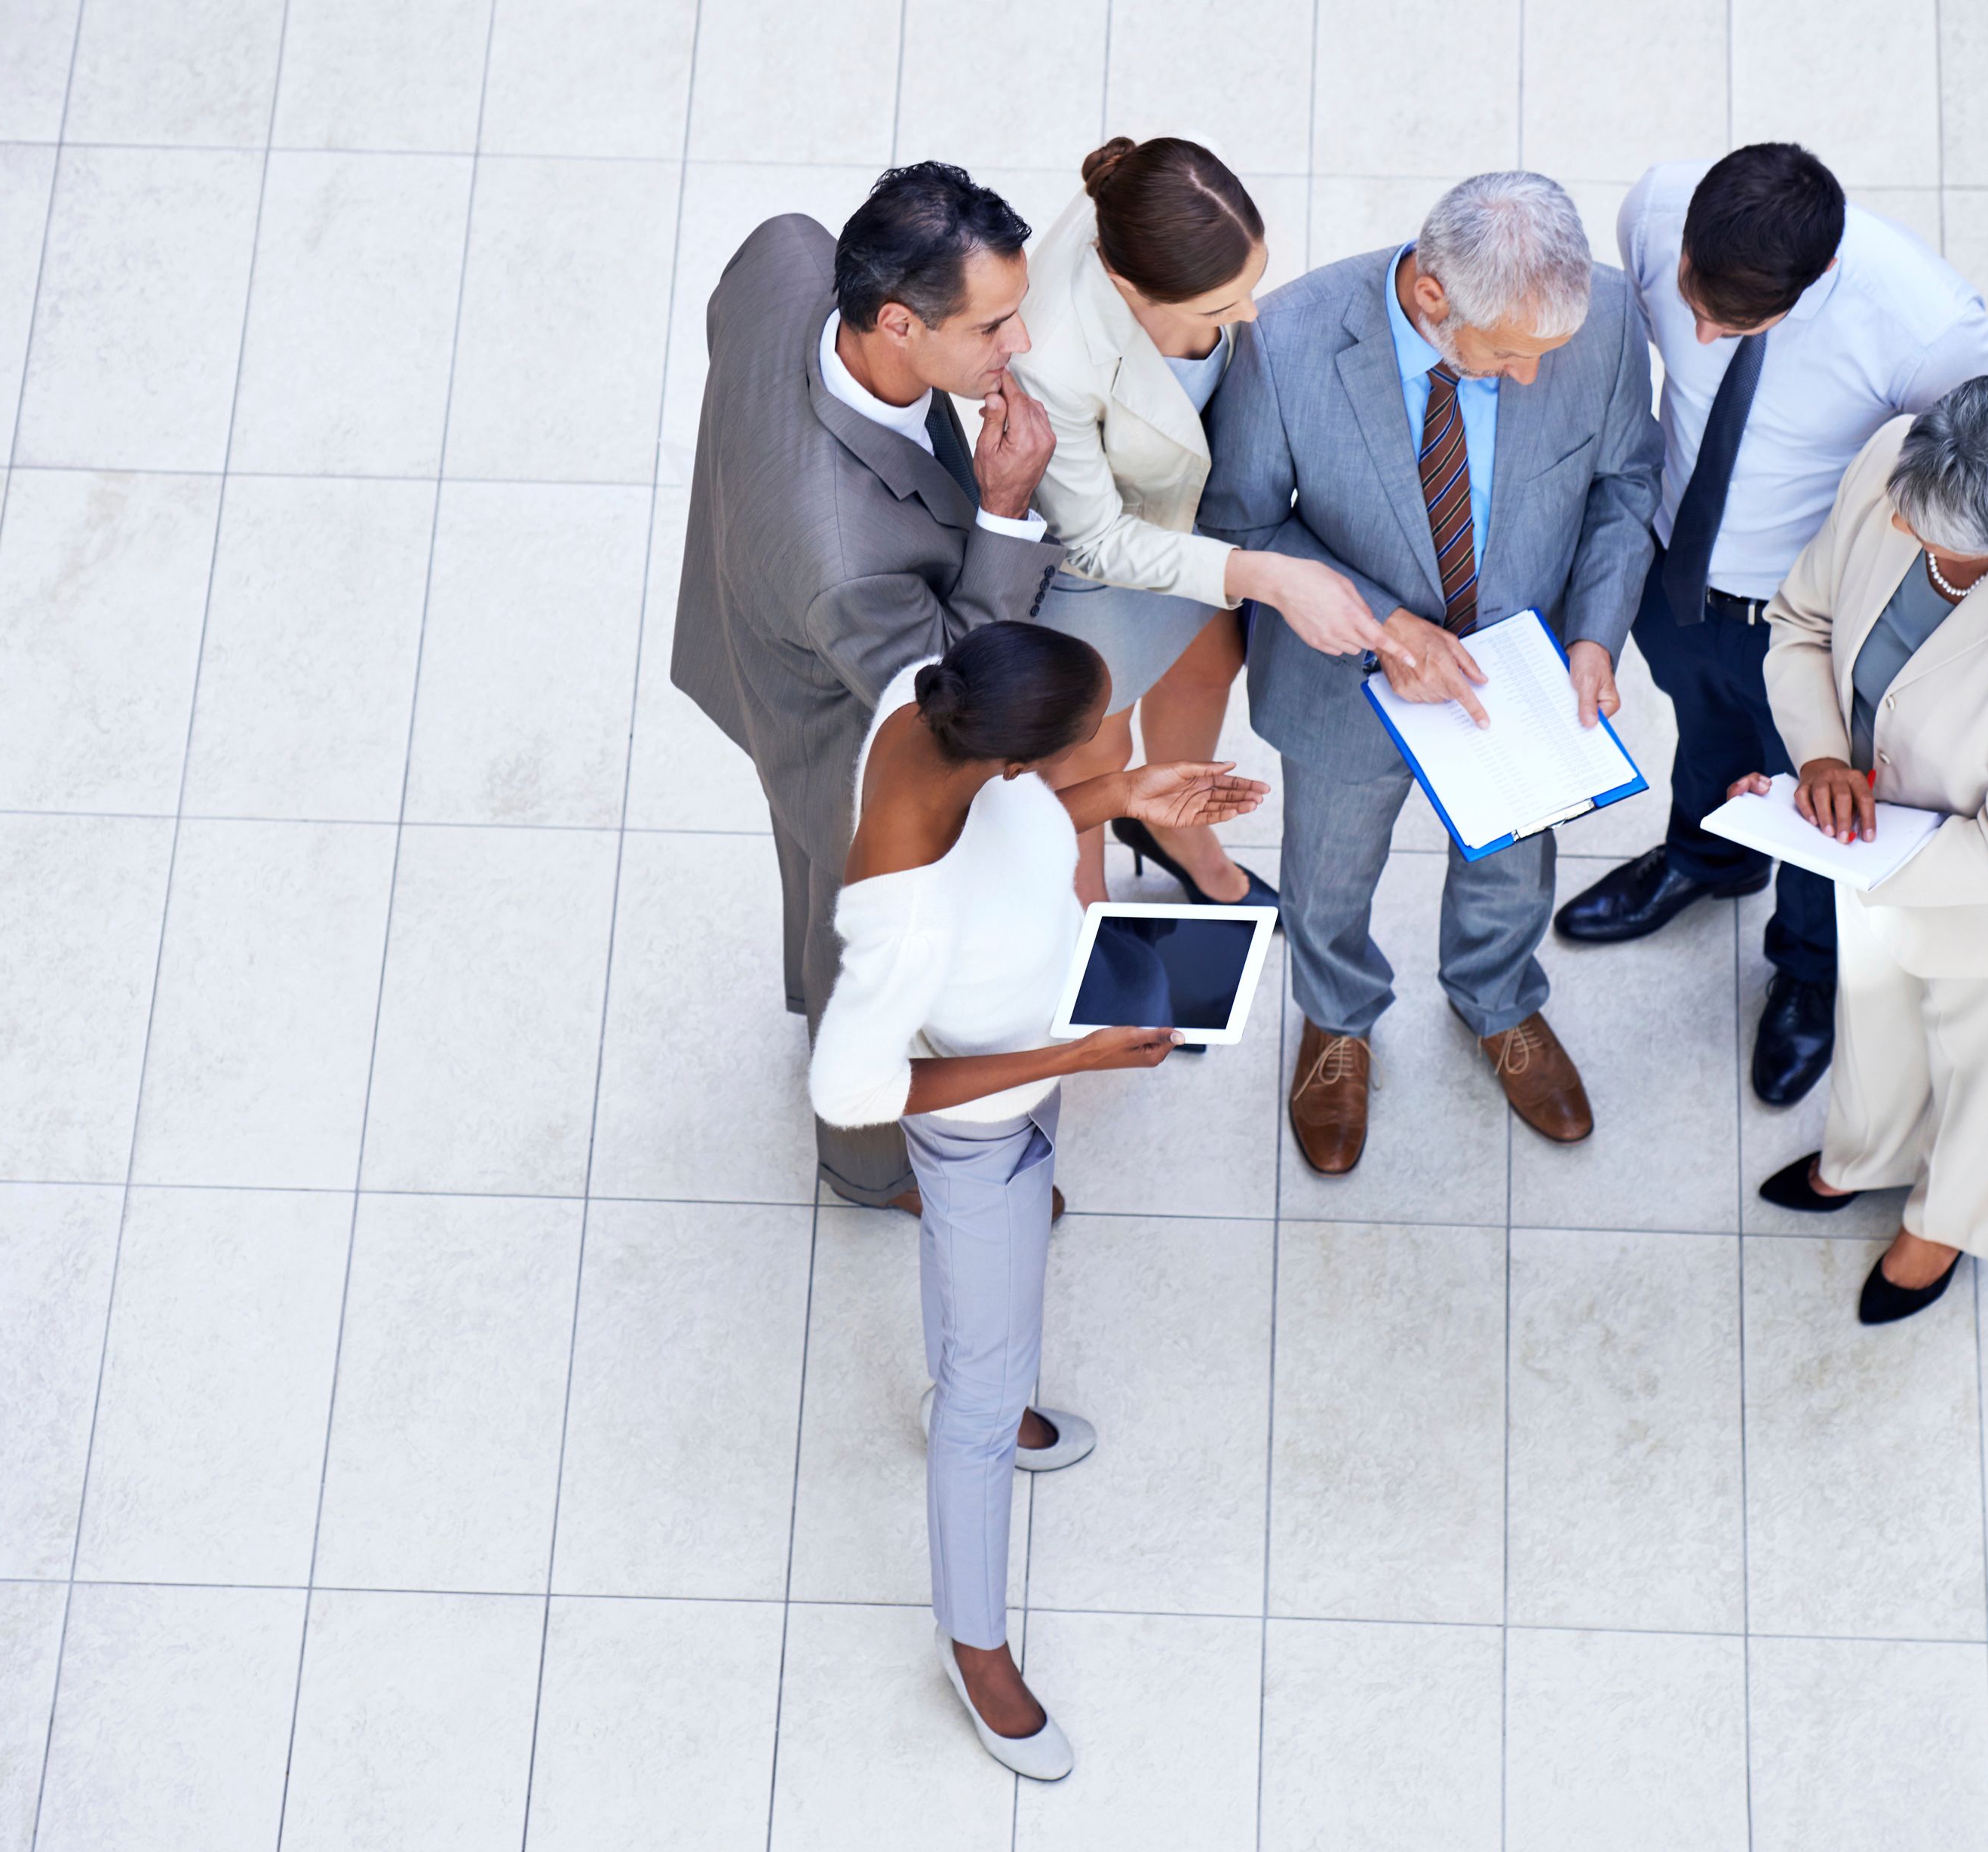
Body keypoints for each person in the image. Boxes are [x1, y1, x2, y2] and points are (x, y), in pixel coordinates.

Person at [807, 622, 1265, 1776]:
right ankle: (977, 1647)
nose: (1090, 752)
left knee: (983, 1317)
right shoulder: (900, 917)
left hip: (1044, 1040)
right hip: (985, 1125)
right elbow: (854, 1087)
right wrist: (1067, 1064)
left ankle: (988, 1397)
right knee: (979, 1392)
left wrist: (1123, 789)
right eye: (1084, 740)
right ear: (1012, 755)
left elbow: (1015, 827)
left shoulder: (934, 701)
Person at [1199, 171, 1662, 1173]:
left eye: (1548, 355)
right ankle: (1336, 1023)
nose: (1534, 379)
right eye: (1508, 357)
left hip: (1519, 681)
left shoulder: (1607, 316)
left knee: (1511, 867)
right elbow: (1239, 526)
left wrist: (1594, 635)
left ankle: (1498, 1000)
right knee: (1327, 878)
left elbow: (1626, 481)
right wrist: (1384, 629)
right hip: (1344, 682)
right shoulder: (1285, 343)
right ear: (1431, 299)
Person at [1554, 144, 1988, 1109]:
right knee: (1703, 729)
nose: (1703, 332)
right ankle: (1706, 858)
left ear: (1819, 279)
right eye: (1689, 300)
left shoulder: (1929, 330)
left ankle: (1807, 966)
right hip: (1671, 566)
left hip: (1810, 619)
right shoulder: (1654, 202)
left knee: (1819, 798)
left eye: (1735, 319)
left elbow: (1972, 505)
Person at [673, 162, 1063, 1213]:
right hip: (844, 724)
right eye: (992, 328)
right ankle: (868, 1164)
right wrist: (1004, 510)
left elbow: (732, 319)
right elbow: (952, 694)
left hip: (759, 636)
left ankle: (805, 990)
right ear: (896, 323)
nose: (1017, 346)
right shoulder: (845, 552)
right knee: (867, 936)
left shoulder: (789, 249)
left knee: (805, 861)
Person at [1739, 374, 1988, 1323]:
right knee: (1875, 1011)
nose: (1902, 536)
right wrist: (1812, 762)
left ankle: (1945, 1221)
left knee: (1987, 1065)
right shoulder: (1898, 460)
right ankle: (1868, 1158)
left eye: (1934, 547)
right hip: (1871, 831)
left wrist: (1848, 846)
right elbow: (1800, 622)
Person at [1014, 135, 1386, 908]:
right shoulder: (1052, 357)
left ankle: (1177, 829)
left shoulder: (1154, 211)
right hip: (1092, 559)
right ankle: (1085, 918)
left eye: (1250, 284)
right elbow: (1094, 537)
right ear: (1124, 283)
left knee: (1208, 662)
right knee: (1093, 747)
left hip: (1181, 509)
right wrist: (1261, 573)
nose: (1250, 315)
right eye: (1220, 307)